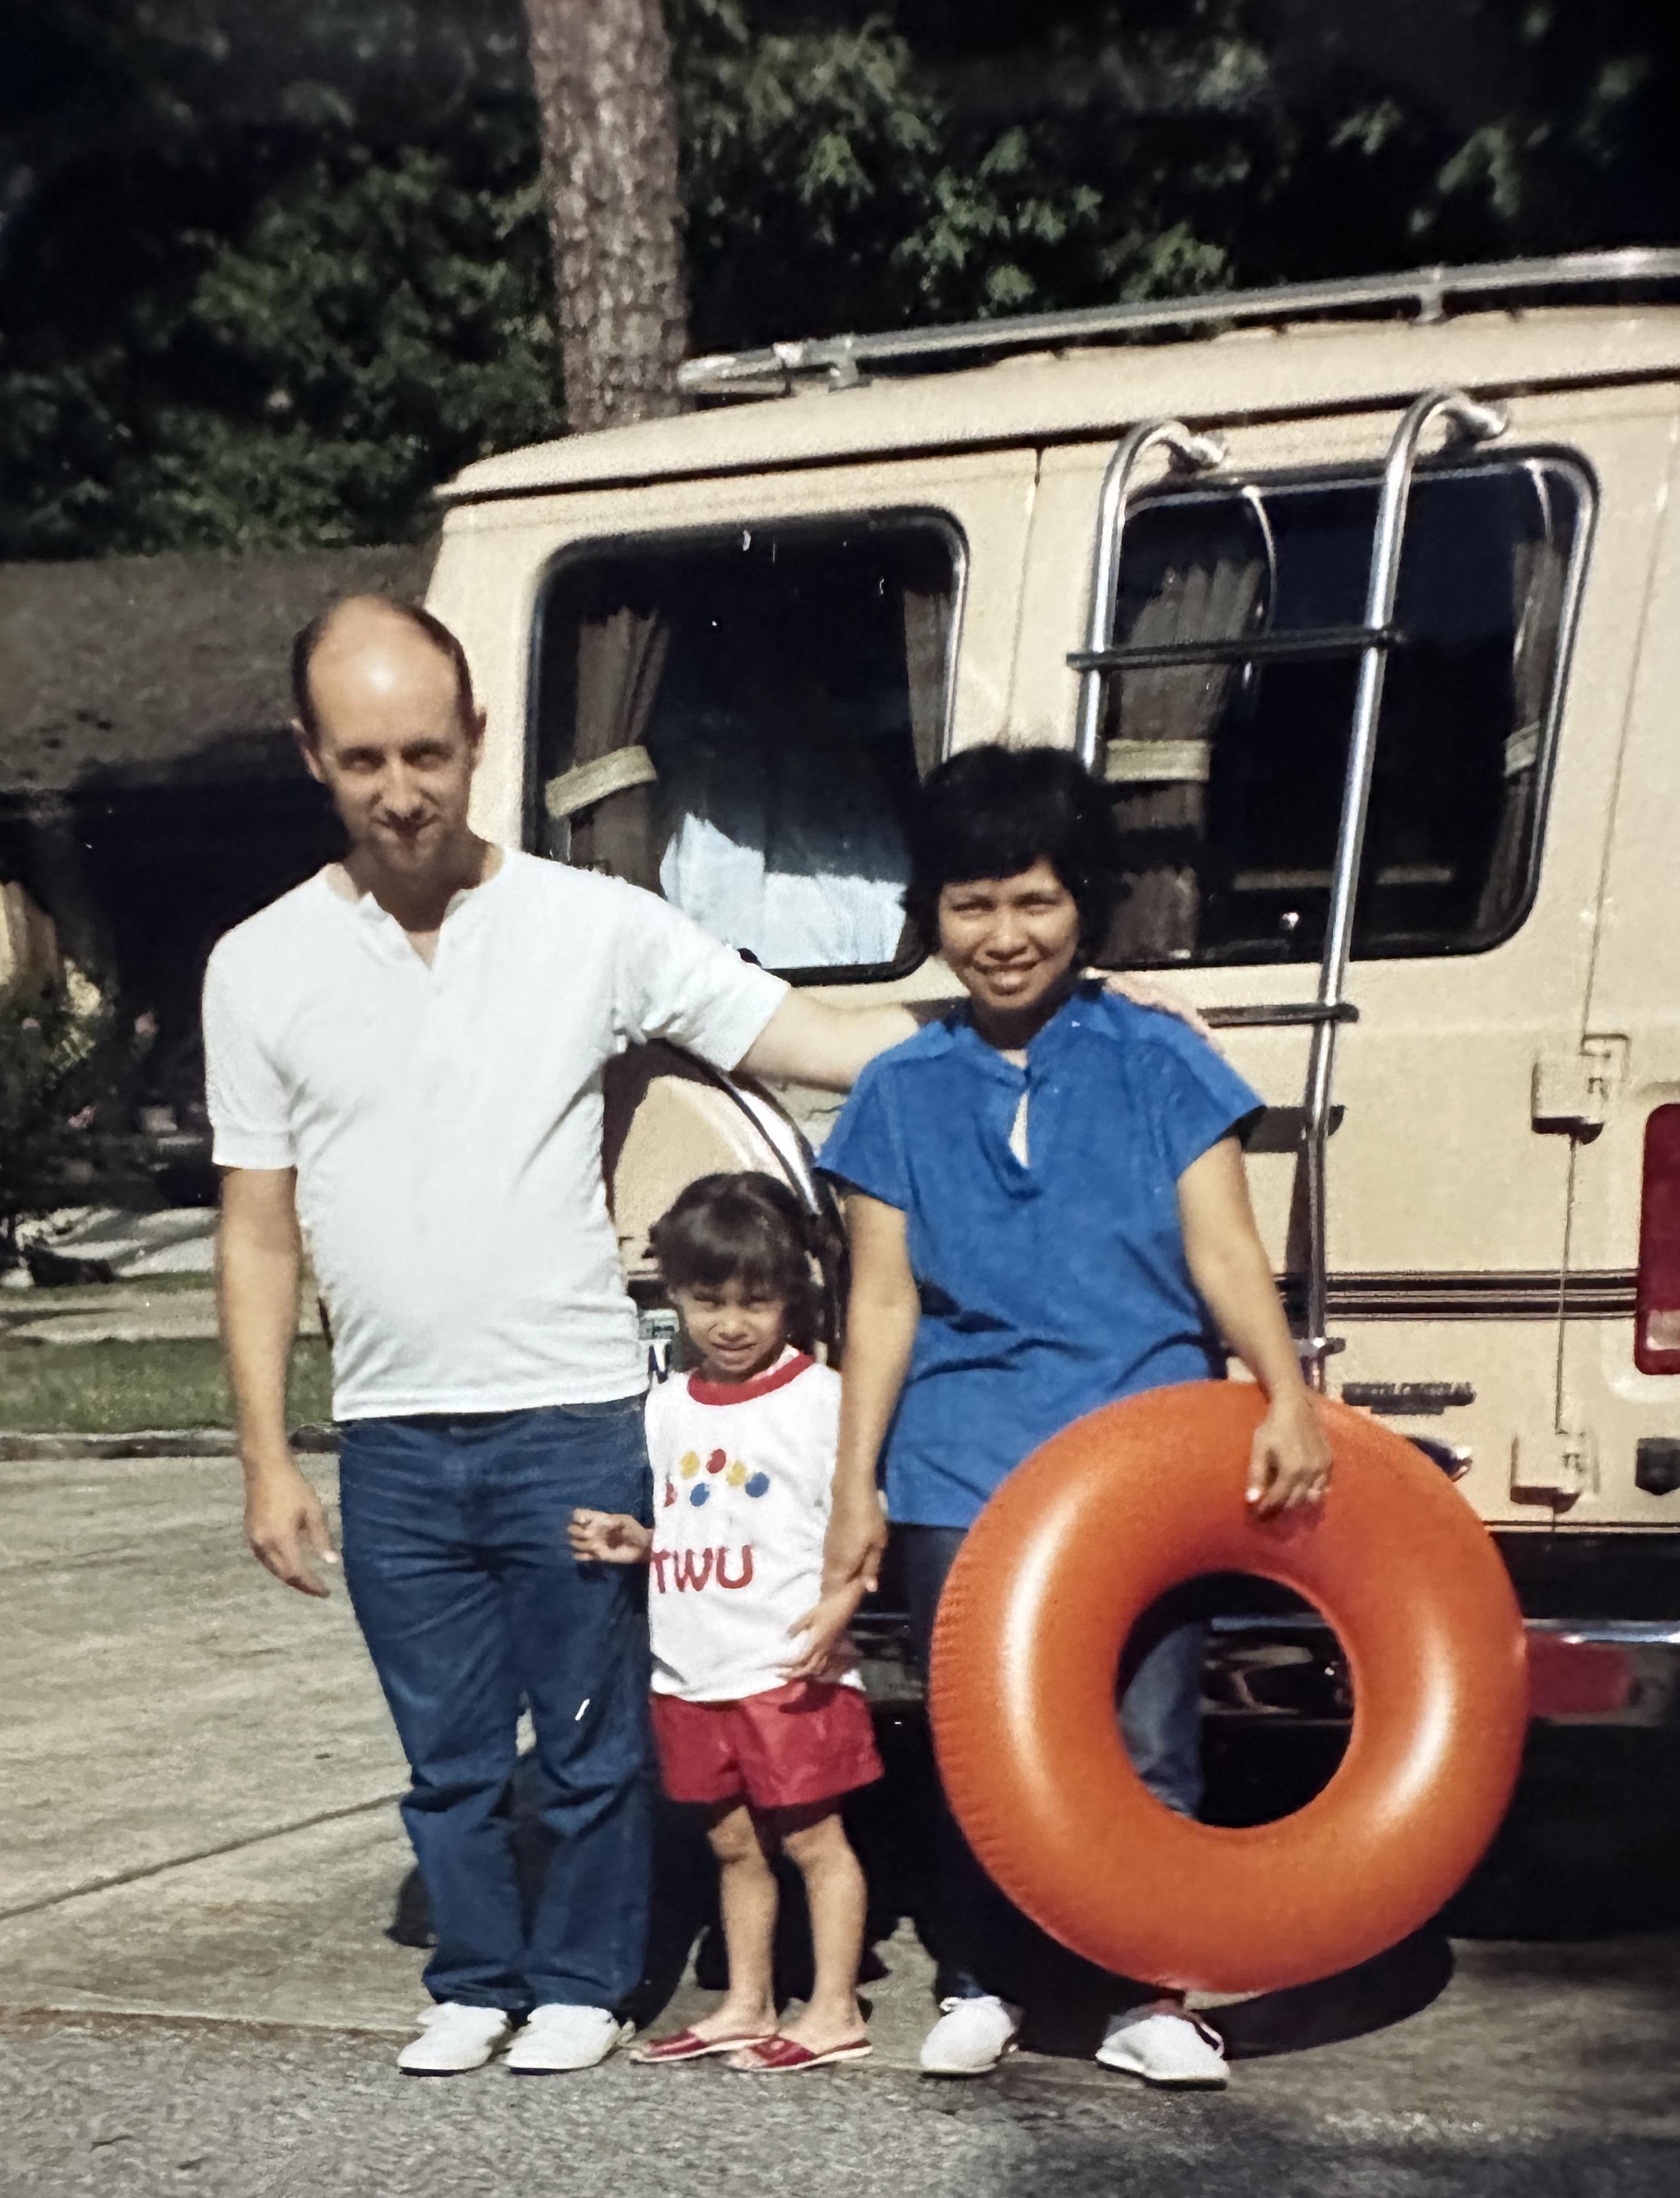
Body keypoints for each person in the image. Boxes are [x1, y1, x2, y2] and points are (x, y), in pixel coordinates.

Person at [204, 598, 948, 2077]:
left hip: (570, 1414)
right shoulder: (258, 963)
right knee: (454, 1756)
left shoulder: (588, 923)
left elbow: (794, 1033)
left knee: (599, 1740)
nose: (402, 788)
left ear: (479, 738)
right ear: (312, 756)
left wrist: (1018, 1017)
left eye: (428, 749)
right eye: (364, 759)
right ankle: (475, 1977)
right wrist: (267, 1455)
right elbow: (256, 1228)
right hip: (398, 1432)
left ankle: (585, 1987)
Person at [817, 744, 1333, 2088]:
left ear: (1085, 901)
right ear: (931, 912)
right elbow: (879, 1303)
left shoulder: (1164, 1058)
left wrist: (1285, 1391)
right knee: (984, 1747)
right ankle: (983, 1976)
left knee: (1149, 1737)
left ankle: (1145, 1989)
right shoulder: (895, 1089)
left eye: (1035, 900)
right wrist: (853, 1482)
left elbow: (1225, 1250)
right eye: (972, 903)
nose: (1005, 936)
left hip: (1144, 1458)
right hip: (961, 1465)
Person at [569, 1173, 880, 2075]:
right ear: (674, 1297)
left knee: (816, 1842)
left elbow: (864, 1523)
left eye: (755, 1301)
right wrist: (641, 1542)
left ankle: (833, 2007)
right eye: (708, 1302)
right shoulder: (667, 1406)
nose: (731, 1323)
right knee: (734, 1843)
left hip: (786, 1663)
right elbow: (704, 1524)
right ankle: (748, 1999)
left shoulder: (822, 1397)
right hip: (693, 1668)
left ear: (791, 1295)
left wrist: (840, 1608)